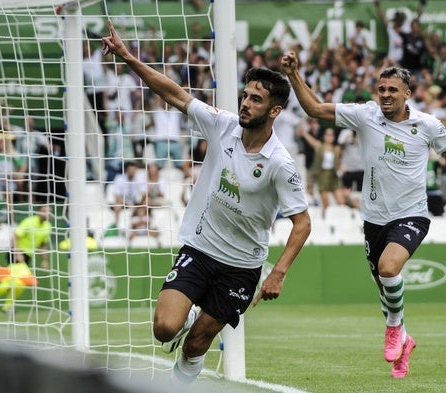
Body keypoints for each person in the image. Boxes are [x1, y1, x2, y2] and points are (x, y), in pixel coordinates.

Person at [102, 21, 311, 387]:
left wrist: (277, 272)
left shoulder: (280, 163)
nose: (245, 104)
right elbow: (174, 94)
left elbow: (303, 223)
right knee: (165, 328)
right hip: (200, 248)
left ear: (274, 111)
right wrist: (127, 57)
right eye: (245, 96)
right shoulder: (223, 125)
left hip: (242, 266)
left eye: (256, 99)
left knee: (197, 342)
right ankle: (184, 314)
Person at [281, 53, 446, 379]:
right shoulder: (365, 115)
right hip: (373, 220)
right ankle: (405, 341)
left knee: (388, 268)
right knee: (385, 291)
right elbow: (315, 109)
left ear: (407, 93)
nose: (385, 94)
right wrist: (294, 74)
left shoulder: (426, 125)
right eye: (381, 88)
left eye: (393, 90)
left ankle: (395, 329)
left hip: (411, 215)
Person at [0, 205, 52, 314]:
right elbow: (14, 237)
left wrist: (44, 260)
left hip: (27, 256)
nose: (47, 213)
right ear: (39, 211)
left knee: (16, 283)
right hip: (15, 254)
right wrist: (18, 253)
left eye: (49, 211)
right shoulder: (29, 222)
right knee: (21, 281)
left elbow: (43, 244)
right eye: (45, 211)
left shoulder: (48, 226)